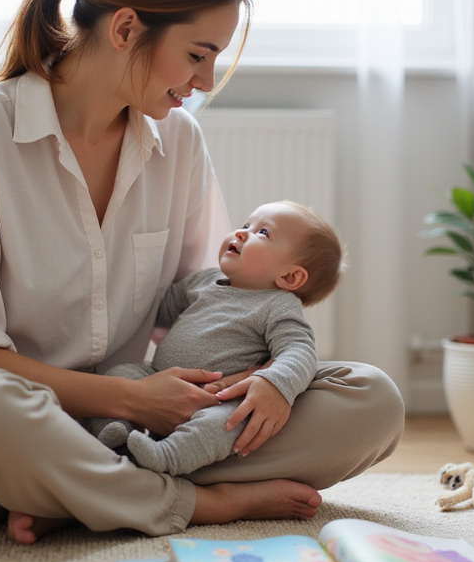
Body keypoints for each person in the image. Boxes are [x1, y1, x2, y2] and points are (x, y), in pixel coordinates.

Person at [0, 0, 404, 547]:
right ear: (124, 27)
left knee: (372, 400)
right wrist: (131, 403)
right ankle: (194, 503)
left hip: (118, 433)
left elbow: (212, 311)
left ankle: (78, 492)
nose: (203, 83)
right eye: (197, 55)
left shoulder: (181, 146)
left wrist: (265, 386)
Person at [83, 200, 343, 476]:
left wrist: (274, 384)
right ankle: (116, 436)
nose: (241, 233)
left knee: (227, 423)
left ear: (290, 277)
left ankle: (167, 458)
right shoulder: (203, 281)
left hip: (218, 399)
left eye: (263, 233)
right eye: (245, 225)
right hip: (158, 377)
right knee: (120, 375)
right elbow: (156, 309)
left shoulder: (277, 305)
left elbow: (300, 350)